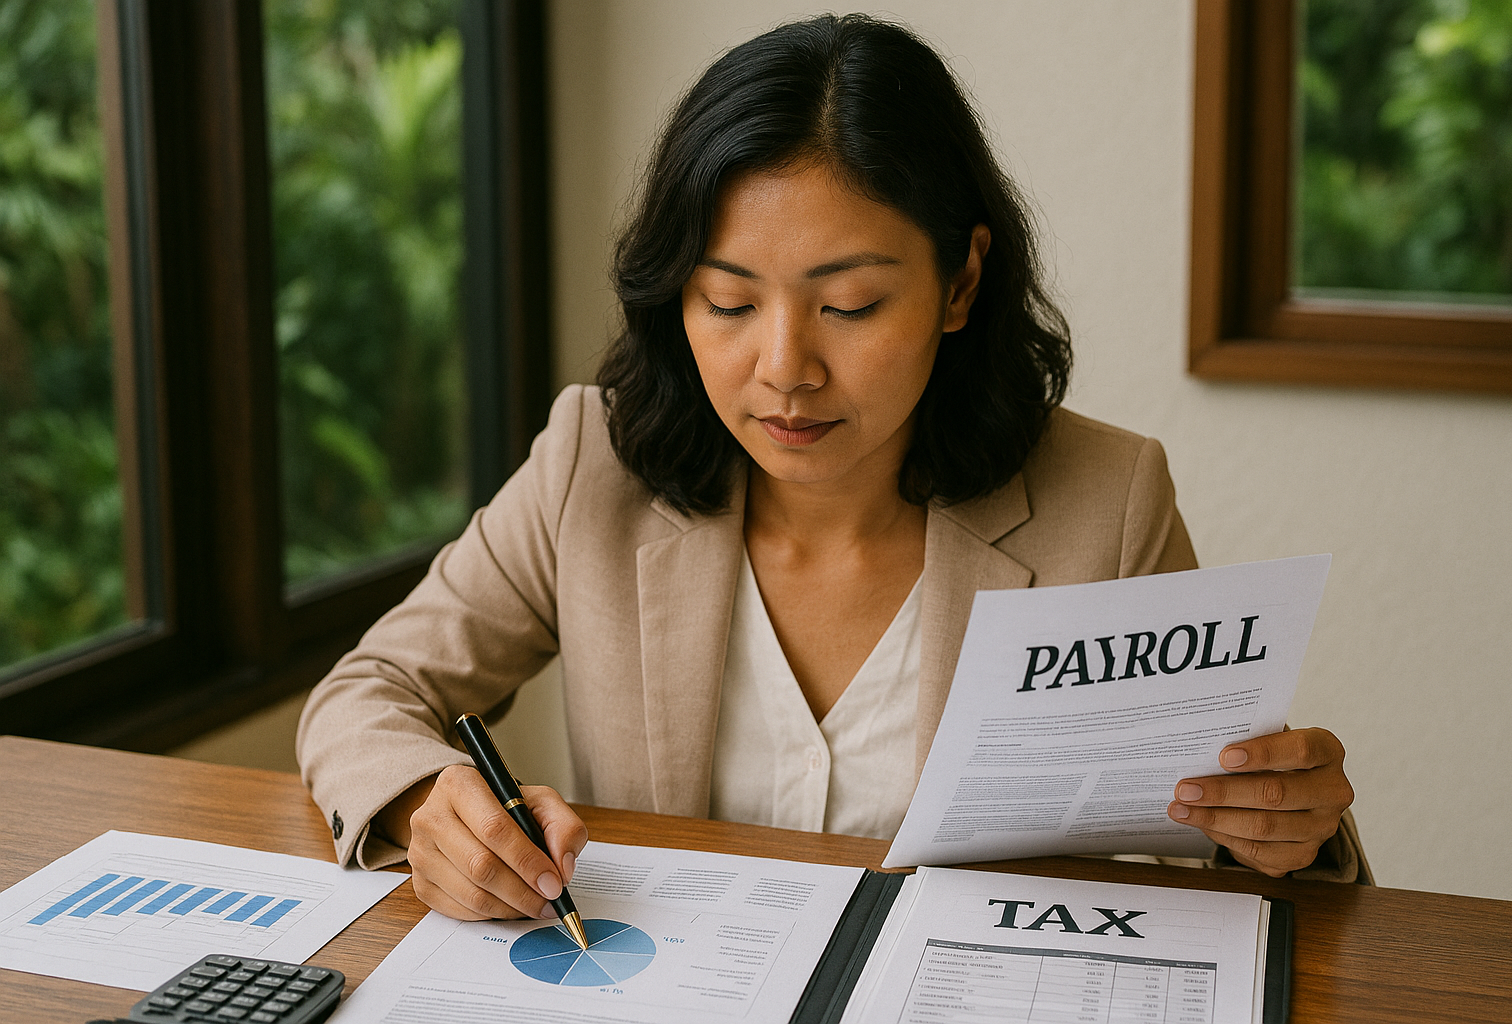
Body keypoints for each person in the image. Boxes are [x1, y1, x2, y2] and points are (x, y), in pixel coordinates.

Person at [297, 14, 1364, 924]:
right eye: (728, 301)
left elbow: (1227, 840)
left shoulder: (1107, 502)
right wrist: (429, 803)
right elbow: (368, 692)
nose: (784, 369)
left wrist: (1281, 830)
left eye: (850, 305)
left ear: (960, 283)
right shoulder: (596, 462)